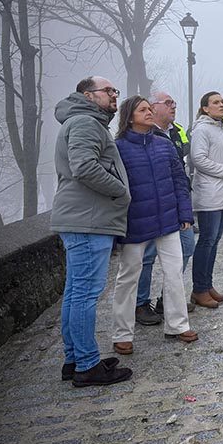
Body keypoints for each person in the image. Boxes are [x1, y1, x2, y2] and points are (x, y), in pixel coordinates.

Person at [51, 76, 133, 387]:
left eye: (115, 91)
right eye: (108, 91)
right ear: (88, 95)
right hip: (88, 218)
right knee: (85, 294)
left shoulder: (84, 121)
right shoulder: (86, 122)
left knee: (75, 293)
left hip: (83, 217)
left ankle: (74, 359)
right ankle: (87, 364)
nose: (114, 95)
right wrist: (121, 192)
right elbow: (84, 167)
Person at [111, 96, 198, 354]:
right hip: (135, 223)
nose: (149, 112)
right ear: (129, 116)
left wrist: (185, 213)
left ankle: (178, 325)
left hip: (169, 220)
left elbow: (179, 180)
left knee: (173, 273)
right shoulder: (118, 148)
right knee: (128, 277)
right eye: (142, 110)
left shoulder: (164, 145)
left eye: (150, 108)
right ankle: (122, 333)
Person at [133, 90, 195, 324]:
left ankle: (167, 298)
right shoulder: (142, 134)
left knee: (187, 247)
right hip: (150, 206)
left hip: (176, 202)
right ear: (153, 107)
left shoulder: (176, 133)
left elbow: (179, 171)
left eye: (174, 102)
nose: (173, 106)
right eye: (168, 103)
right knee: (147, 256)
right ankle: (140, 304)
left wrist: (184, 205)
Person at [189, 91, 223, 308]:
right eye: (215, 103)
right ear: (205, 108)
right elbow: (199, 159)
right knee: (206, 241)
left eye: (222, 102)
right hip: (209, 194)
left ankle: (207, 284)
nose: (221, 105)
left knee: (215, 242)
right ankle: (199, 289)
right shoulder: (201, 130)